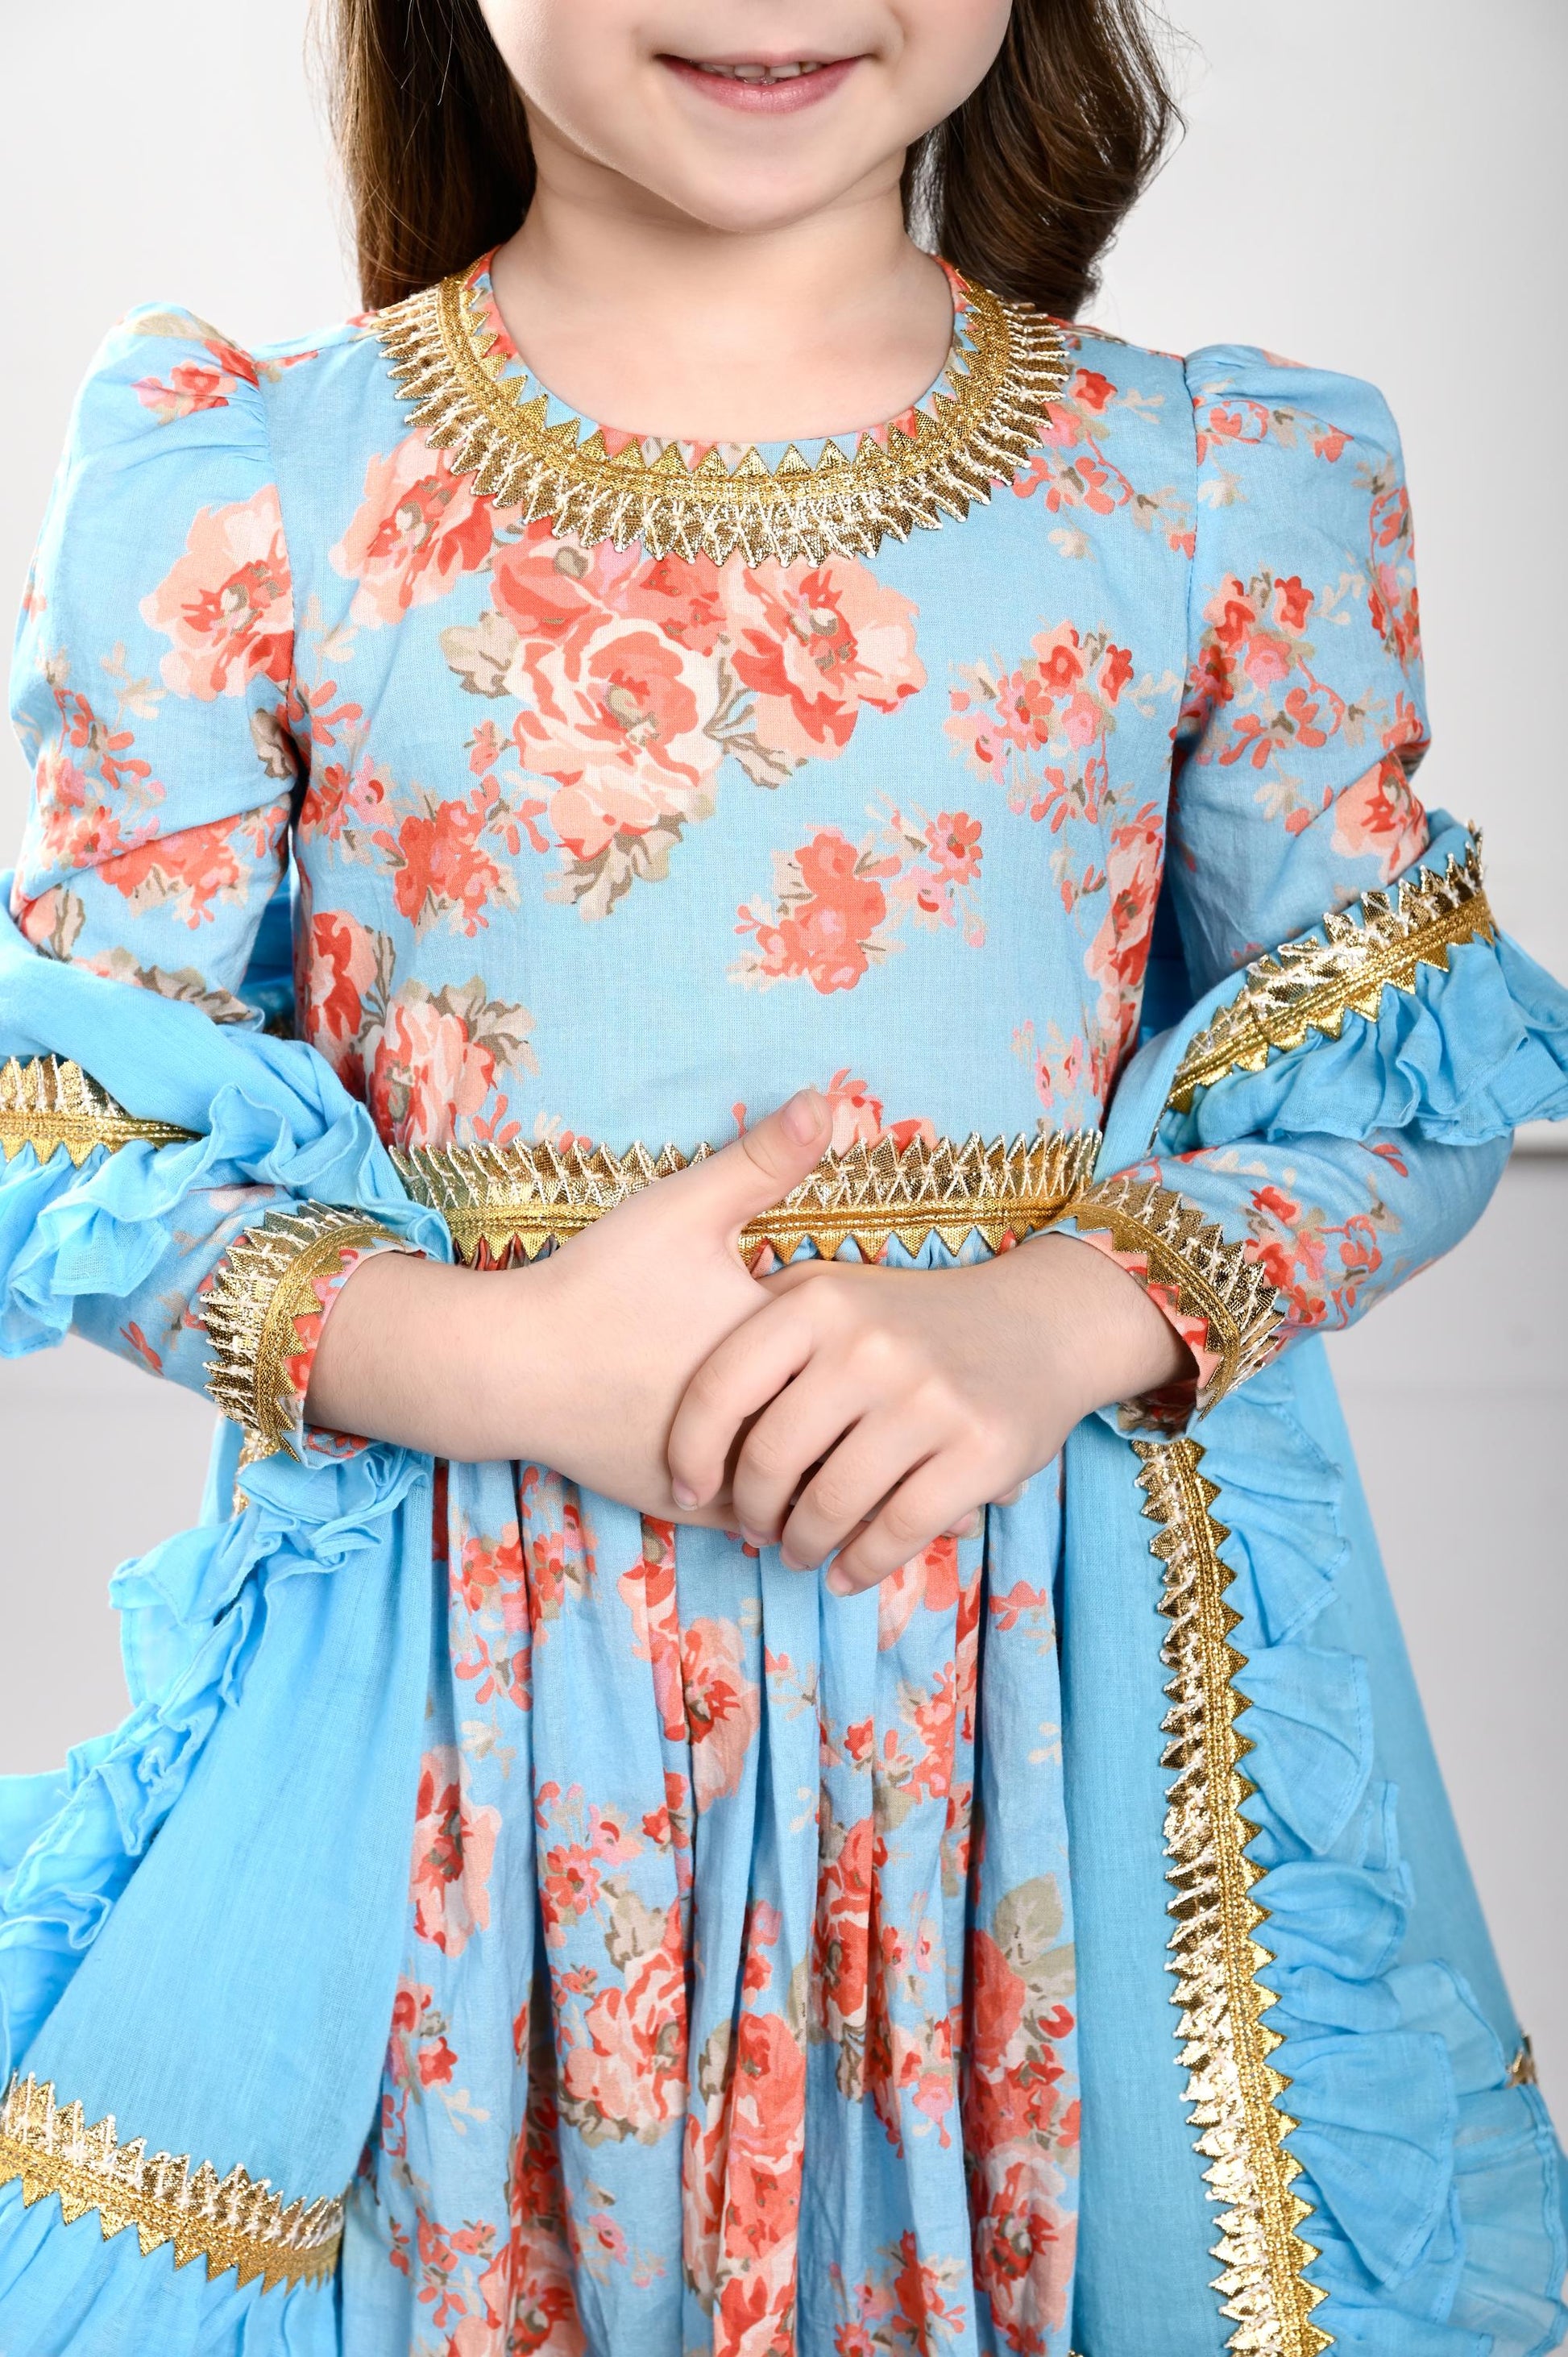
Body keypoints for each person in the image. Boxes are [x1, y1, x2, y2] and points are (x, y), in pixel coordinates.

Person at [0, 2, 1564, 2351]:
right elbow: (77, 1120)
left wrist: (1059, 1314)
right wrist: (492, 1361)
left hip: (1033, 1744)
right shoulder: (253, 496)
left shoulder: (1211, 488)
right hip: (466, 1753)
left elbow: (1390, 1077)